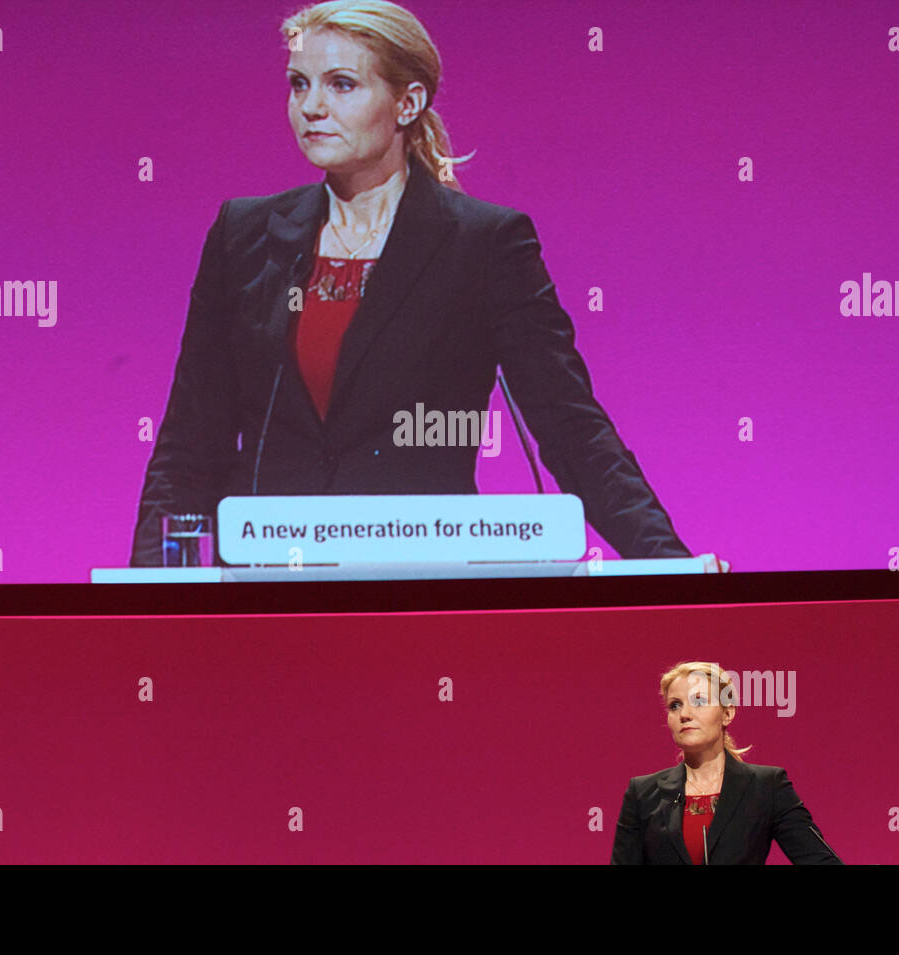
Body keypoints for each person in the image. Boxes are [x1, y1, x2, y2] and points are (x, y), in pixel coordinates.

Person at [130, 0, 727, 571]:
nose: (311, 106)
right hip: (264, 587)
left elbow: (571, 428)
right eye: (298, 83)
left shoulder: (483, 243)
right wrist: (151, 594)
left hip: (419, 589)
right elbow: (190, 439)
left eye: (341, 84)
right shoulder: (243, 233)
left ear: (407, 101)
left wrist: (668, 565)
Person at [611, 661, 842, 864]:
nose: (684, 714)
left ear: (727, 713)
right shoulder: (642, 793)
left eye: (698, 701)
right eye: (675, 705)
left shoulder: (766, 786)